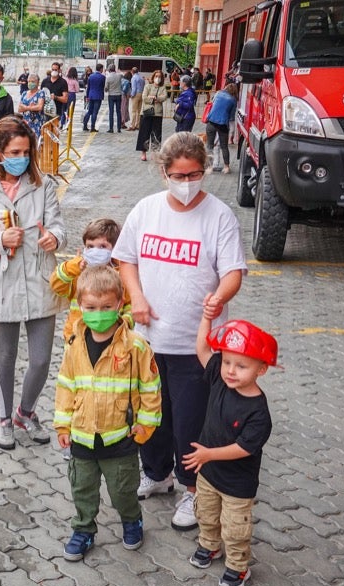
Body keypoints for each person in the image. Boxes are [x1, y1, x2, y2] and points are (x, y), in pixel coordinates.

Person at [112, 132, 248, 531]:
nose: (187, 183)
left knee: (191, 420)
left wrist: (219, 297)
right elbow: (126, 259)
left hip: (198, 343)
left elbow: (233, 272)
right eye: (178, 175)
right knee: (152, 414)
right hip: (149, 336)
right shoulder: (146, 209)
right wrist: (135, 297)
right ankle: (157, 474)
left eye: (194, 174)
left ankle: (193, 488)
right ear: (164, 172)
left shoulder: (219, 215)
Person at [0, 117, 66, 450]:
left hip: (39, 279)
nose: (21, 157)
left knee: (40, 359)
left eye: (26, 151)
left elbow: (59, 227)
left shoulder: (44, 185)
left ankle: (26, 411)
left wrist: (54, 238)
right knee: (4, 357)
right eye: (14, 151)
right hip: (1, 283)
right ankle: (4, 418)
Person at [54, 266, 161, 561]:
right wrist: (63, 425)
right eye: (90, 307)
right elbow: (66, 384)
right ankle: (83, 529)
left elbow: (151, 389)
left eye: (106, 307)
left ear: (119, 304)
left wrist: (145, 427)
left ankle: (131, 521)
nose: (98, 313)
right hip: (83, 437)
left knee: (124, 491)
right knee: (82, 490)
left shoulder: (136, 346)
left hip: (121, 440)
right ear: (80, 305)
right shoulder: (74, 344)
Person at [185, 315, 276, 586]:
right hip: (208, 473)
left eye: (241, 365)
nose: (230, 371)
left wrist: (209, 455)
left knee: (235, 528)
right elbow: (202, 348)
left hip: (237, 485)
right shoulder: (219, 379)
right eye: (226, 362)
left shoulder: (259, 412)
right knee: (207, 515)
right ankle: (209, 546)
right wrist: (205, 318)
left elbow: (244, 448)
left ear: (262, 369)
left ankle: (238, 566)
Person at [50, 218, 131, 343]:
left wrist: (125, 323)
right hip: (77, 339)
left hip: (113, 339)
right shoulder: (77, 274)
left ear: (115, 249)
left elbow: (130, 305)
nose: (95, 251)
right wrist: (73, 266)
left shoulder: (123, 276)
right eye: (90, 246)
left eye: (102, 246)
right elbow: (57, 285)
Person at [136, 69, 169, 161]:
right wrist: (154, 99)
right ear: (153, 77)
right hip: (146, 112)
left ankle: (155, 153)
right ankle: (143, 152)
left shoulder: (163, 88)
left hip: (157, 114)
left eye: (159, 77)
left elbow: (164, 97)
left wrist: (154, 97)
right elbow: (144, 97)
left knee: (156, 134)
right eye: (156, 76)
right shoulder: (148, 86)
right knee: (144, 133)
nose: (157, 78)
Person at [204, 82, 237, 174]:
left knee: (209, 145)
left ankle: (209, 167)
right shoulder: (233, 100)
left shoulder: (218, 93)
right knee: (224, 146)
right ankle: (226, 167)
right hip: (223, 124)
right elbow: (231, 117)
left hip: (211, 122)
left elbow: (212, 103)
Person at [18, 72, 48, 138]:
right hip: (25, 123)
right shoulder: (24, 93)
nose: (30, 83)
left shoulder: (40, 93)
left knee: (36, 144)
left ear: (37, 82)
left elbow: (39, 107)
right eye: (29, 81)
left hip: (36, 123)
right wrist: (31, 107)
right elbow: (19, 109)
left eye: (32, 81)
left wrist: (25, 107)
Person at [42, 61, 69, 128]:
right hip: (45, 111)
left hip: (56, 112)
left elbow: (65, 99)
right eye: (52, 69)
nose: (54, 71)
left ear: (59, 70)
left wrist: (56, 97)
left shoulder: (63, 82)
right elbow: (40, 94)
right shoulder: (45, 81)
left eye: (55, 70)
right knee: (45, 131)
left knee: (54, 132)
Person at [82, 64, 106, 131]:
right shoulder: (102, 77)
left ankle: (85, 125)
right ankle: (92, 127)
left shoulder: (91, 76)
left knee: (89, 111)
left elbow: (88, 87)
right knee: (95, 112)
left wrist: (87, 96)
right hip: (98, 96)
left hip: (91, 95)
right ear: (101, 69)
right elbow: (103, 86)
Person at [104, 65, 123, 133]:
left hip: (111, 95)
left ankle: (111, 128)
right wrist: (119, 71)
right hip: (118, 95)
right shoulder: (119, 76)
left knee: (111, 112)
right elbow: (123, 75)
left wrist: (107, 89)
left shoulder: (108, 77)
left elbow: (106, 88)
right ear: (114, 69)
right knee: (118, 112)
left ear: (109, 70)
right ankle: (119, 128)